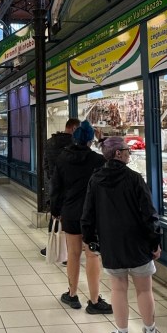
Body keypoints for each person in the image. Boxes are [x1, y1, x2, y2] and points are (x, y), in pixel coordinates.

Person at [81, 135, 161, 333]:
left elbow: (88, 214)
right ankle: (150, 331)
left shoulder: (96, 180)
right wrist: (154, 242)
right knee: (144, 289)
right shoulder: (134, 178)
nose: (129, 153)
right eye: (127, 150)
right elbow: (149, 214)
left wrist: (89, 239)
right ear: (118, 153)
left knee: (118, 289)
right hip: (138, 244)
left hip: (111, 244)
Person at [49, 120, 110, 314]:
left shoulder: (62, 159)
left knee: (73, 254)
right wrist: (103, 141)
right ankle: (94, 301)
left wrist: (55, 210)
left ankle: (72, 294)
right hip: (92, 214)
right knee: (92, 255)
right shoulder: (98, 161)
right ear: (90, 140)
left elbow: (56, 188)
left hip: (70, 213)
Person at [40, 117, 80, 255]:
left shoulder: (50, 142)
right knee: (71, 218)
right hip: (73, 188)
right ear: (74, 128)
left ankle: (52, 248)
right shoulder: (75, 144)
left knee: (55, 216)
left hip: (54, 186)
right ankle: (68, 251)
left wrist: (52, 180)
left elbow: (45, 165)